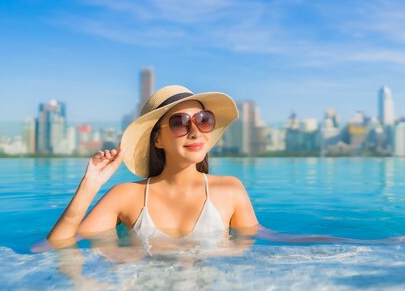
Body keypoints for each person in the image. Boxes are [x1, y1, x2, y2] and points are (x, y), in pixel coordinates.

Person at [46, 85, 259, 249]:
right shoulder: (125, 196)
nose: (195, 132)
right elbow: (57, 245)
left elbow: (259, 238)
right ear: (157, 139)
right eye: (180, 123)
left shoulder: (230, 189)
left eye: (203, 120)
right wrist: (89, 186)